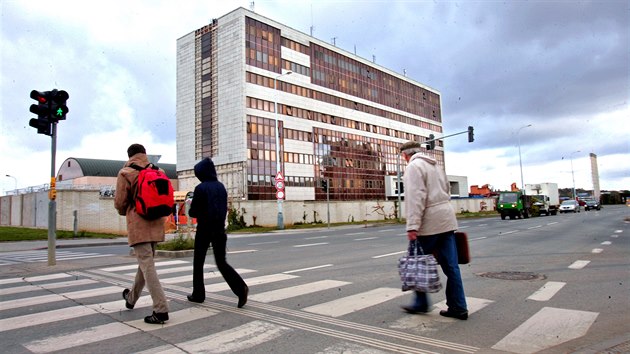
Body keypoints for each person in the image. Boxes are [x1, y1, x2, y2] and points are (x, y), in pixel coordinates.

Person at [400, 140, 468, 320]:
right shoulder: (436, 165)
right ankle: (459, 307)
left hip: (429, 223)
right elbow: (446, 189)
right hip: (446, 219)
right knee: (452, 266)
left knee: (416, 262)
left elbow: (416, 197)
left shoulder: (414, 167)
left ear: (405, 155)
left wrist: (412, 225)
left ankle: (421, 303)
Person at [114, 143, 169, 324]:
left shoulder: (125, 173)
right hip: (157, 224)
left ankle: (161, 309)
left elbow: (120, 204)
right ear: (144, 154)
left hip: (139, 226)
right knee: (145, 263)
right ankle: (131, 299)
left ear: (129, 155)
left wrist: (129, 210)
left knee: (147, 265)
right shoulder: (157, 170)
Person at [186, 157, 249, 308]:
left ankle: (198, 294)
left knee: (198, 262)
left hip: (204, 230)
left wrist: (192, 205)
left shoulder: (200, 188)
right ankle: (241, 289)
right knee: (221, 262)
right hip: (220, 229)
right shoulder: (221, 187)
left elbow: (194, 212)